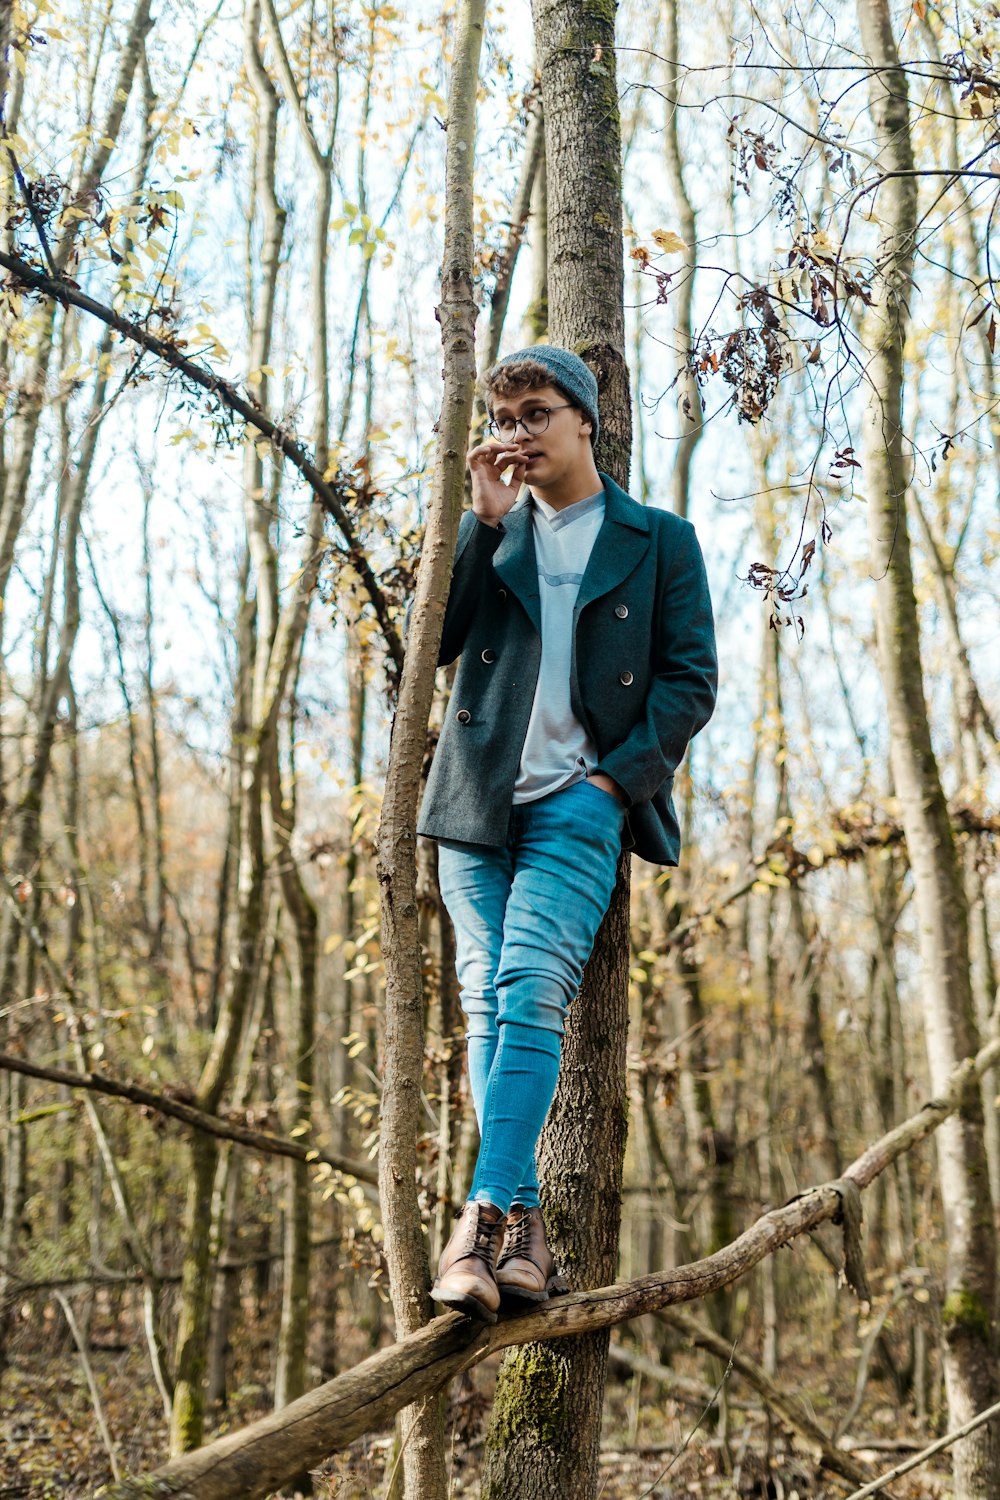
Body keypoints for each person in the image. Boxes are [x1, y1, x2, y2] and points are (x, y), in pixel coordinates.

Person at [416, 344, 718, 1322]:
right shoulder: (494, 532)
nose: (517, 434)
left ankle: (479, 1224)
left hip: (577, 810)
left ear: (583, 418)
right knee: (488, 1008)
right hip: (472, 810)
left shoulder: (656, 538)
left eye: (535, 412)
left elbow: (688, 681)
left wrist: (611, 787)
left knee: (530, 987)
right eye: (504, 420)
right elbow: (438, 644)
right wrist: (479, 523)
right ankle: (524, 1238)